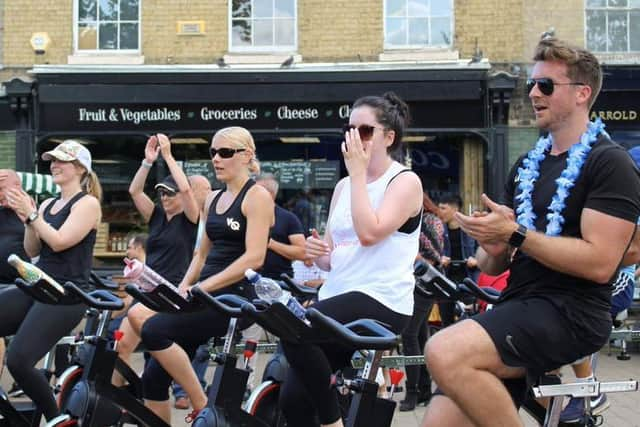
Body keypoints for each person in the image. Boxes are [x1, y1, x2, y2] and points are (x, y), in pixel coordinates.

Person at [421, 37, 640, 427]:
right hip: (517, 304)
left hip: (571, 312)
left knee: (443, 350)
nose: (534, 93)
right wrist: (491, 241)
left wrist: (518, 233)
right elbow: (494, 260)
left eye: (547, 85)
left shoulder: (610, 163)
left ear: (582, 93)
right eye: (532, 85)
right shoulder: (528, 165)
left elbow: (601, 263)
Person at [282, 92, 423, 427]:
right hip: (338, 295)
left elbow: (370, 233)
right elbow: (333, 254)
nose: (354, 138)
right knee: (293, 400)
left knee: (294, 329)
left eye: (365, 131)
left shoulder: (404, 181)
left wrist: (359, 175)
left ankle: (334, 423)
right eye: (350, 129)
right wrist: (320, 252)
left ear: (389, 138)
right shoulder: (344, 186)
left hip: (381, 298)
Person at [137, 126, 274, 423]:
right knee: (153, 379)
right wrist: (184, 287)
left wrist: (203, 288)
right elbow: (201, 253)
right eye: (213, 152)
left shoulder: (257, 196)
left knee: (153, 330)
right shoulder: (212, 199)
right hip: (205, 293)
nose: (216, 159)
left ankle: (203, 405)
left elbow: (255, 257)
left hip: (236, 297)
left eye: (225, 152)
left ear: (247, 155)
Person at [0, 140, 102, 421]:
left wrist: (32, 214)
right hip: (39, 286)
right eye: (52, 160)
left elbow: (59, 242)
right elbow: (33, 249)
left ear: (80, 168)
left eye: (61, 161)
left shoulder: (88, 204)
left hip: (66, 295)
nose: (53, 165)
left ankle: (56, 419)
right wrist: (28, 218)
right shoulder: (48, 203)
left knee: (19, 360)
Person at [113, 133, 199, 386]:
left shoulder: (190, 219)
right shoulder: (157, 216)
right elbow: (134, 190)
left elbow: (185, 188)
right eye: (161, 194)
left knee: (140, 321)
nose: (165, 198)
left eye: (169, 194)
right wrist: (147, 161)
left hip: (171, 290)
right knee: (121, 344)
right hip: (148, 286)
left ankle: (178, 374)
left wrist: (169, 156)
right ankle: (120, 398)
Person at [399, 192, 445, 412]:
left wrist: (406, 255)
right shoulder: (414, 219)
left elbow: (432, 255)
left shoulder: (429, 220)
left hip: (424, 284)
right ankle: (424, 389)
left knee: (409, 335)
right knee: (418, 334)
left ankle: (413, 391)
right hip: (410, 283)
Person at [172, 174, 212, 411]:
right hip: (187, 283)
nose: (209, 192)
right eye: (204, 188)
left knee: (202, 347)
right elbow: (199, 255)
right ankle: (184, 390)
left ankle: (194, 391)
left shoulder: (208, 216)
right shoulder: (190, 216)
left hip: (205, 285)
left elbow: (202, 255)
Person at [0, 169, 29, 388]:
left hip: (21, 286)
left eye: (2, 187)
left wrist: (25, 211)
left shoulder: (29, 211)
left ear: (17, 187)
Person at [437, 194, 478, 326]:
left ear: (455, 209)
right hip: (446, 279)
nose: (439, 212)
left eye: (443, 208)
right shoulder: (438, 230)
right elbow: (431, 253)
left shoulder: (471, 228)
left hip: (468, 279)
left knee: (471, 319)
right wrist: (439, 259)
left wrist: (476, 261)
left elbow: (485, 252)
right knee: (446, 320)